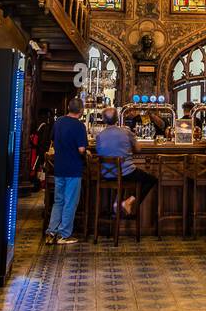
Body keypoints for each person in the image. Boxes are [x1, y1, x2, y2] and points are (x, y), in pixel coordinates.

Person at [94, 107, 157, 217]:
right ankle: (127, 201)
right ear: (117, 118)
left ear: (103, 120)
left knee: (121, 178)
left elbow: (100, 151)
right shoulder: (126, 132)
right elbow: (138, 149)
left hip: (105, 174)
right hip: (125, 172)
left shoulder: (99, 136)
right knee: (151, 180)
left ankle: (116, 204)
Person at [44, 98, 88, 245]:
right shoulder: (79, 126)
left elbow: (52, 141)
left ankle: (51, 232)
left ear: (68, 108)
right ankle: (63, 234)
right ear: (81, 111)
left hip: (59, 167)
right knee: (70, 202)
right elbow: (81, 149)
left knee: (58, 201)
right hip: (73, 168)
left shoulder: (59, 122)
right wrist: (86, 153)